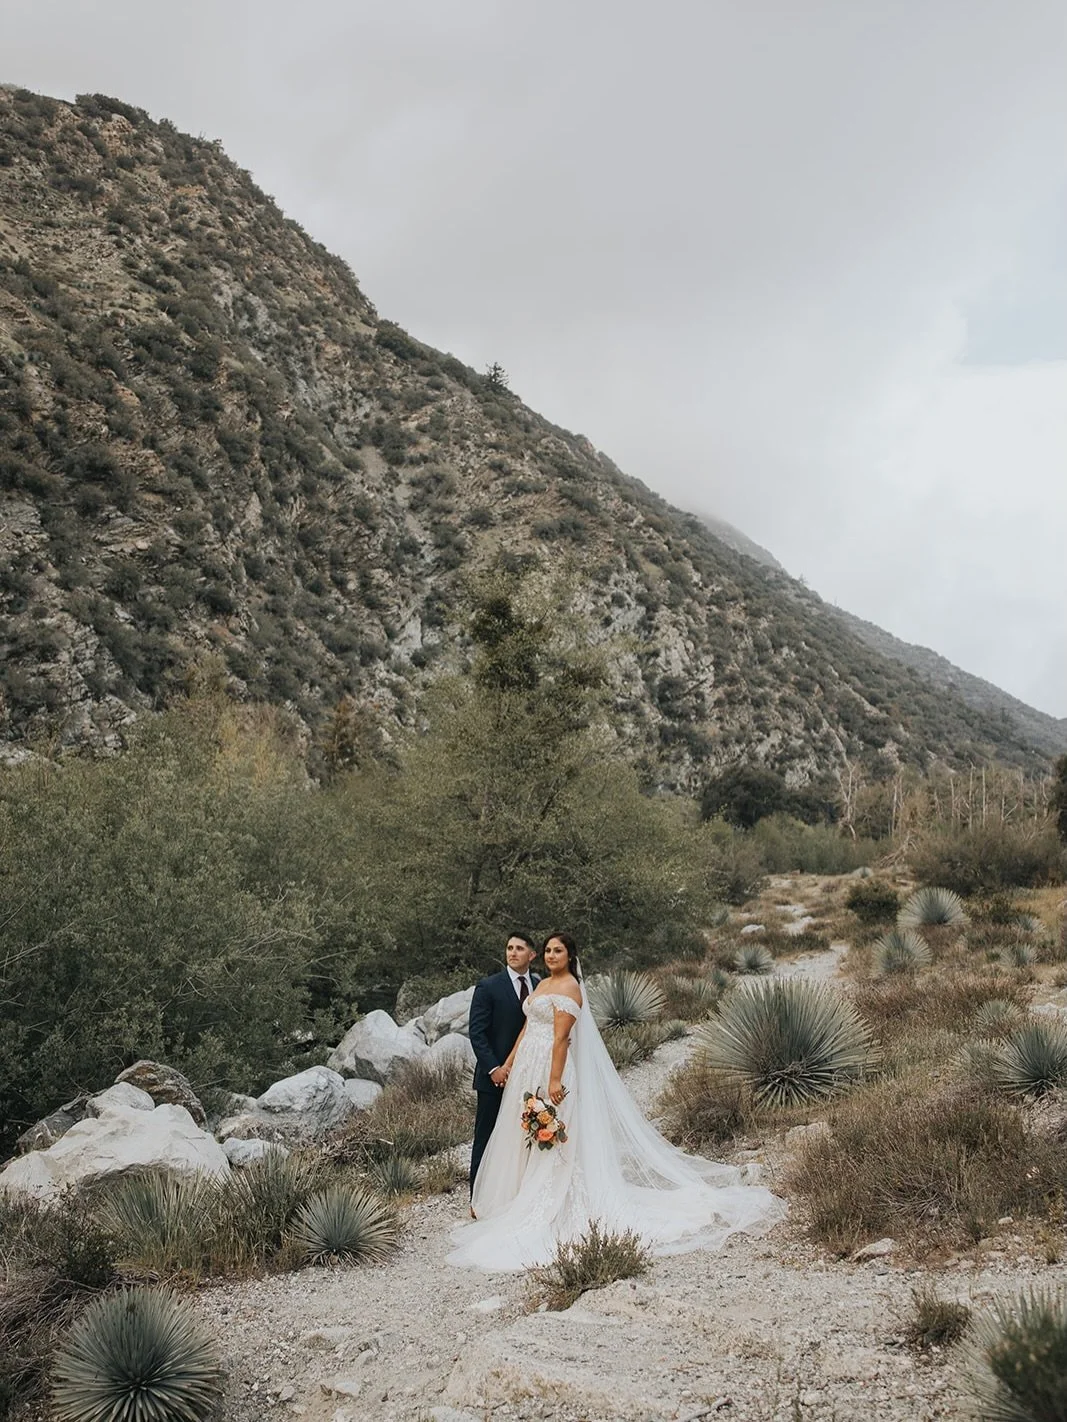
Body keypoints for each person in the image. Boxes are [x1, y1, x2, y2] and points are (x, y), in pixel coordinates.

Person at [449, 932, 785, 1270]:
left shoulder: (569, 988)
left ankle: (553, 1202)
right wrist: (508, 1062)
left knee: (552, 1138)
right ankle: (511, 1196)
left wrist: (553, 1080)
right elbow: (527, 1029)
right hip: (526, 1068)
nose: (552, 955)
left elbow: (562, 1038)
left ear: (570, 955)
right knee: (521, 1135)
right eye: (549, 951)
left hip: (551, 1070)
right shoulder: (541, 984)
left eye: (558, 951)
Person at [467, 932, 539, 1199]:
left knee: (521, 1136)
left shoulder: (538, 984)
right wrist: (494, 1068)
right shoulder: (489, 986)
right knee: (486, 1137)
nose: (512, 952)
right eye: (509, 947)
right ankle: (477, 1197)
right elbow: (477, 1032)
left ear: (532, 955)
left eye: (519, 948)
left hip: (530, 1075)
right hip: (494, 1077)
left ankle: (513, 1194)